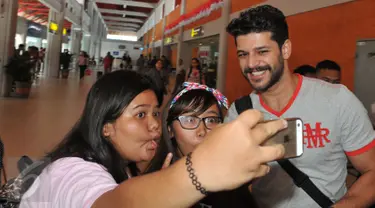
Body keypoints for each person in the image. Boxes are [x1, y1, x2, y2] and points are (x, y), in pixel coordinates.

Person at [19, 70, 286, 208]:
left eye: (156, 113)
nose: (154, 126)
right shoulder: (72, 170)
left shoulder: (130, 167)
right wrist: (200, 172)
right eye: (140, 115)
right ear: (106, 127)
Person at [226, 5, 375, 208]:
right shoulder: (239, 114)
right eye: (243, 54)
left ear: (285, 49)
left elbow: (372, 171)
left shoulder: (337, 100)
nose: (251, 64)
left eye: (262, 51)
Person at [149, 82, 259, 208]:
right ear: (170, 130)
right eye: (190, 120)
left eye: (211, 120)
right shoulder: (153, 183)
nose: (202, 131)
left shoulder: (233, 180)